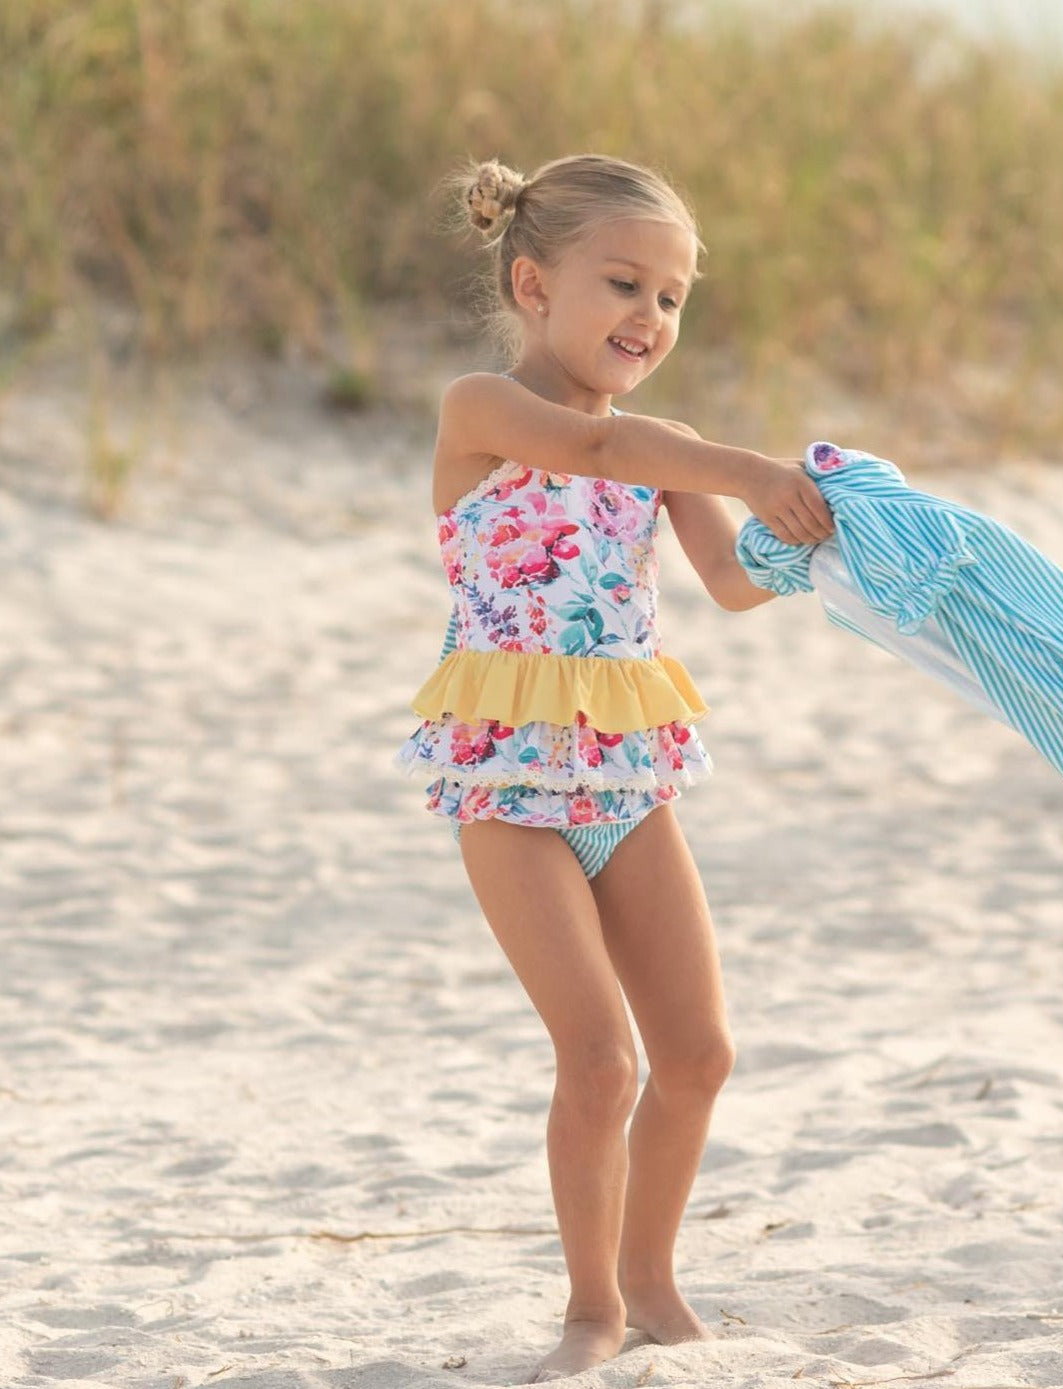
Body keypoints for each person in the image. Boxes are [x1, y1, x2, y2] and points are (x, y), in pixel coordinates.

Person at [395, 154, 834, 1380]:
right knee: (600, 1058)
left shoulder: (667, 449)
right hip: (509, 786)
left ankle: (652, 1283)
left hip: (628, 783)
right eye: (626, 284)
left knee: (699, 1055)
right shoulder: (482, 409)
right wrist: (748, 468)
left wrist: (834, 538)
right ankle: (590, 1307)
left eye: (675, 299)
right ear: (533, 284)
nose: (652, 319)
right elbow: (593, 455)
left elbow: (735, 585)